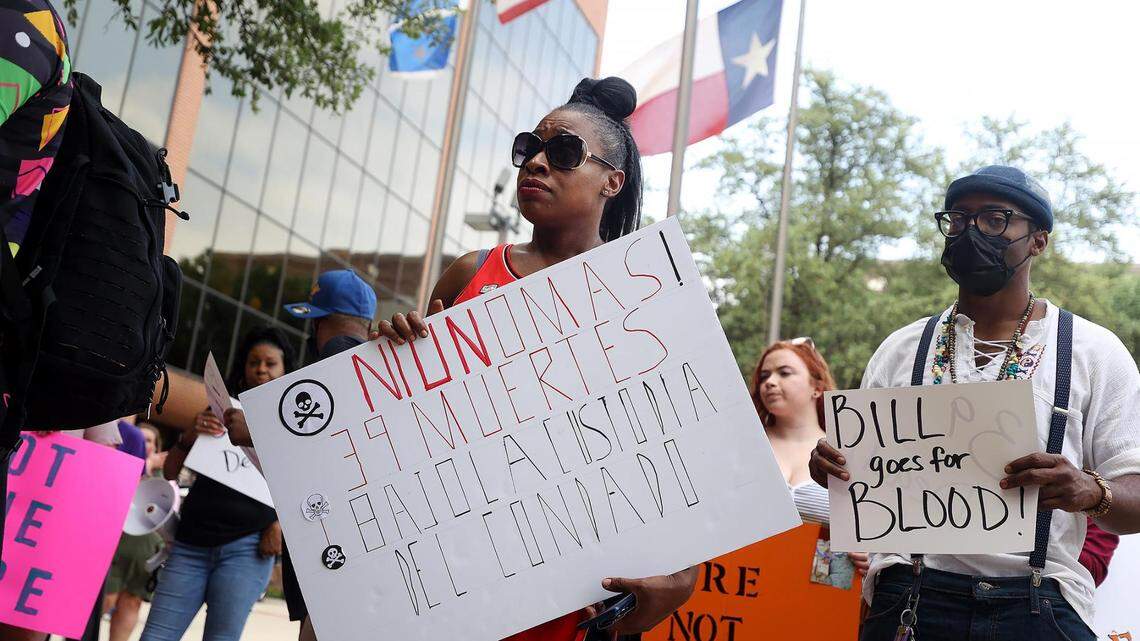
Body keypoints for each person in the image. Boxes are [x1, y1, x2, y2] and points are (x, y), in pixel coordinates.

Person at [378, 76, 697, 641]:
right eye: (530, 147)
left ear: (612, 182)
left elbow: (673, 452)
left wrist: (683, 577)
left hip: (571, 597)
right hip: (451, 577)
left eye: (565, 152)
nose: (538, 162)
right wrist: (395, 358)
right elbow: (408, 427)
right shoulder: (470, 272)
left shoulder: (647, 298)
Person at [809, 165, 1140, 641]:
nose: (971, 232)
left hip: (1038, 601)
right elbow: (862, 485)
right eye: (959, 219)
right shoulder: (901, 350)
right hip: (910, 600)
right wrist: (834, 468)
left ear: (1038, 241)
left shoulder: (1092, 351)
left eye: (995, 219)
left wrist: (1092, 491)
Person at [223, 268, 378, 641]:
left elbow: (322, 444)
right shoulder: (370, 362)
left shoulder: (335, 358)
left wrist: (254, 431)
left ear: (318, 323)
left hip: (336, 547)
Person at [139, 327, 295, 641]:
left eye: (270, 363)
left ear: (285, 370)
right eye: (254, 362)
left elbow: (307, 487)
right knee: (155, 636)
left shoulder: (293, 421)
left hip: (247, 551)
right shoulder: (219, 411)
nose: (261, 369)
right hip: (190, 545)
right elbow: (170, 473)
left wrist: (280, 523)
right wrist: (189, 436)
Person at [750, 338, 869, 578]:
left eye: (784, 373)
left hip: (819, 594)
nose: (770, 382)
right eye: (764, 376)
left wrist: (869, 555)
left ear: (816, 386)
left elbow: (867, 530)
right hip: (741, 585)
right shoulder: (743, 447)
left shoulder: (847, 453)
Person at [104, 422, 167, 641]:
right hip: (116, 543)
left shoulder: (164, 473)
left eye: (149, 440)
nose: (145, 444)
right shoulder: (124, 462)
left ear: (156, 445)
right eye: (141, 439)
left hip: (146, 548)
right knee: (106, 598)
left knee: (132, 601)